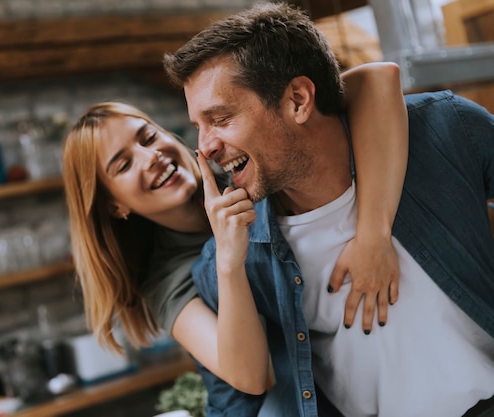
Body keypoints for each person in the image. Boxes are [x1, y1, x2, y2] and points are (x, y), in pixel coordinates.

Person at [163, 2, 494, 417]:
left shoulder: (446, 130)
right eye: (199, 126)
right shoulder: (231, 261)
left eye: (221, 118)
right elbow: (233, 402)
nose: (205, 146)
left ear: (298, 100)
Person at [62, 64, 408, 396]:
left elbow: (376, 79)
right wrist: (228, 261)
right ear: (114, 206)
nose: (150, 156)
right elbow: (250, 377)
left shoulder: (240, 165)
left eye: (148, 137)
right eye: (124, 164)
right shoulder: (166, 279)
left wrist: (372, 237)